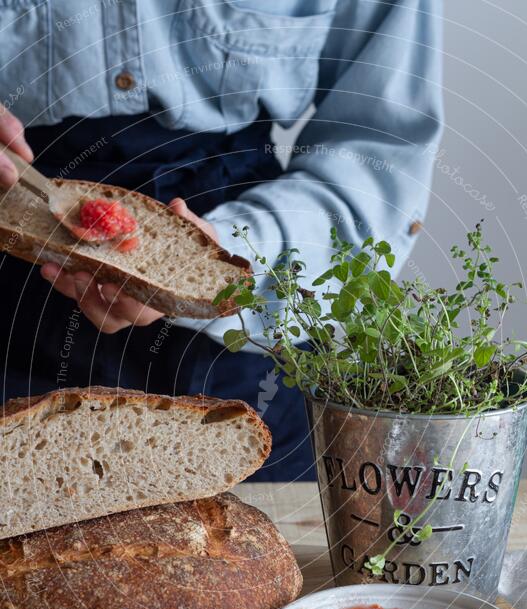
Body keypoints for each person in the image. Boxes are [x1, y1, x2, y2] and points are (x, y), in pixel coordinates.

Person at [0, 0, 442, 481]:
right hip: (12, 300)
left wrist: (228, 256)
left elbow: (379, 150)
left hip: (245, 336)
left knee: (261, 548)